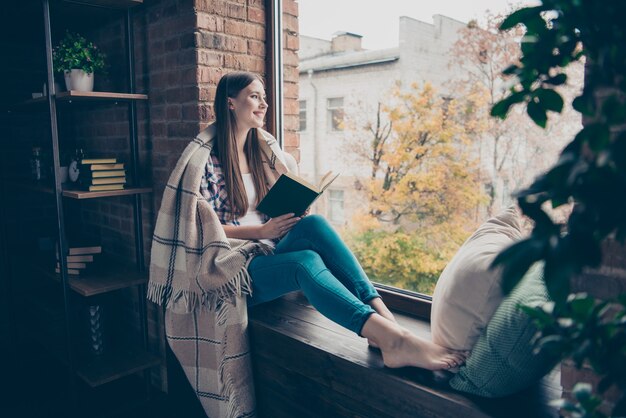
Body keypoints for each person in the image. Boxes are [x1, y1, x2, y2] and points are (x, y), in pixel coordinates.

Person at [148, 71, 464, 416]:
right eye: (254, 96)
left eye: (264, 96)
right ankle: (393, 341)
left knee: (315, 224)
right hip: (234, 269)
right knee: (304, 263)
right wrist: (261, 232)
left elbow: (268, 214)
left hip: (267, 250)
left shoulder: (261, 151)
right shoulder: (205, 161)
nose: (264, 103)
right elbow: (199, 230)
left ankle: (385, 321)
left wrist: (291, 210)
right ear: (230, 103)